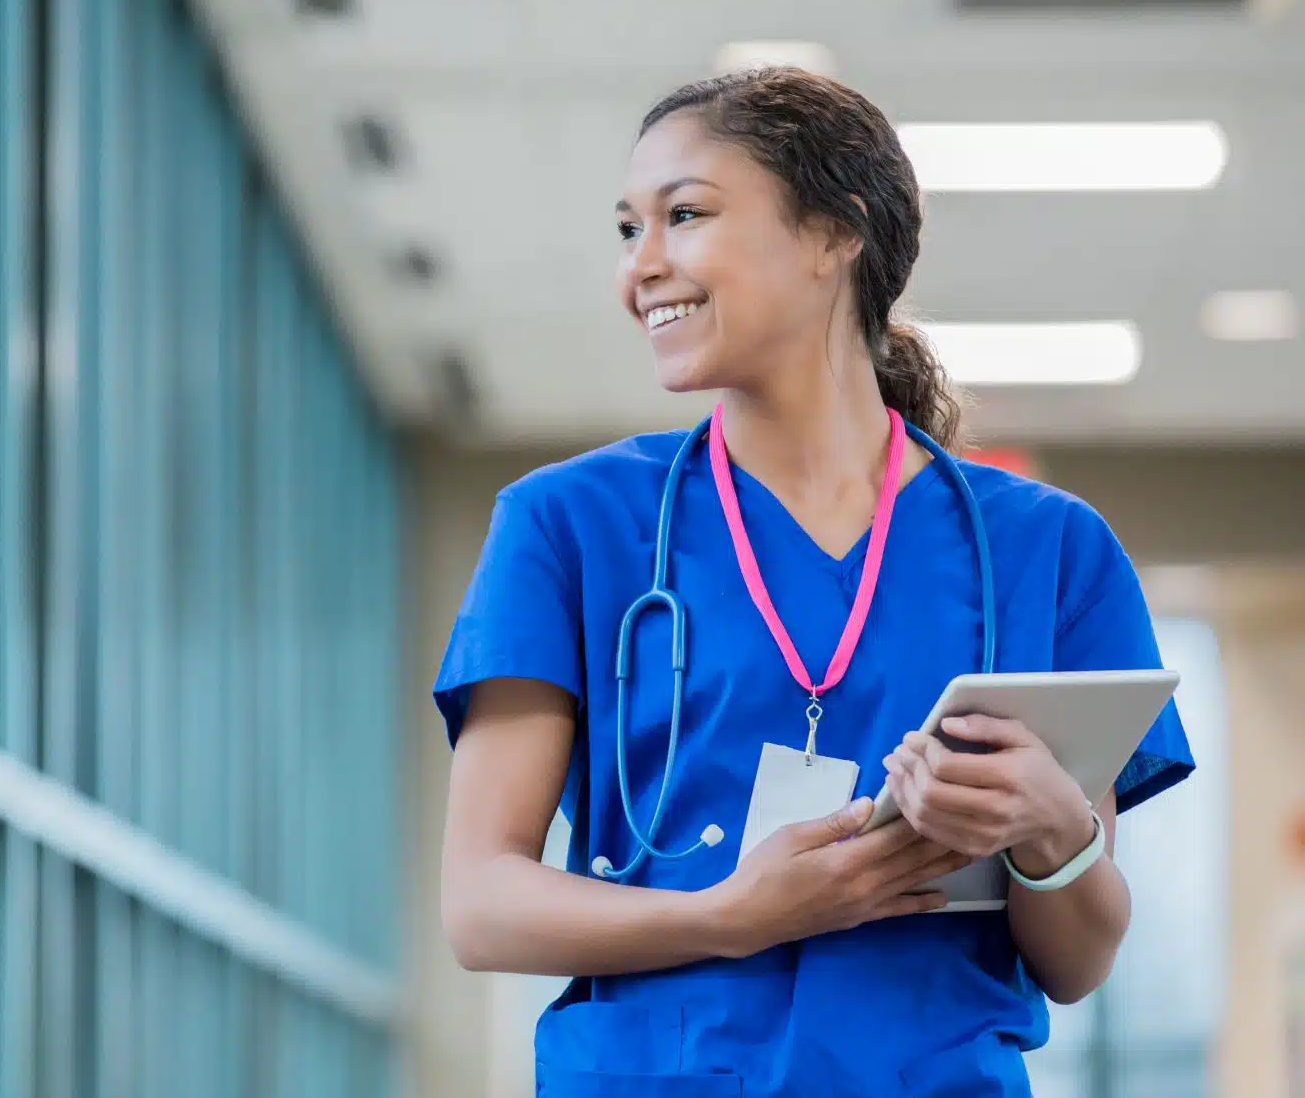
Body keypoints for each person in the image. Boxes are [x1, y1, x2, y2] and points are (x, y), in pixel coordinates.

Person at [434, 68, 1195, 1096]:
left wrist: (1046, 827)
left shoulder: (1045, 549)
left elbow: (1078, 960)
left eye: (685, 215)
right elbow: (479, 905)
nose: (640, 268)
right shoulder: (567, 524)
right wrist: (733, 912)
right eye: (627, 230)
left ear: (834, 235)